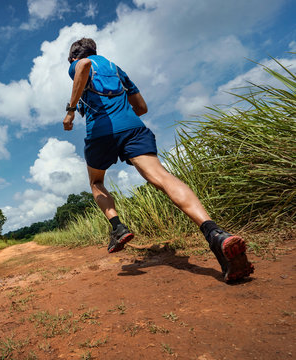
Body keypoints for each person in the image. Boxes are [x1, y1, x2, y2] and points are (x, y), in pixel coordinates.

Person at [63, 38, 254, 282]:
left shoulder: (78, 63)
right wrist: (122, 115)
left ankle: (118, 227)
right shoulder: (116, 68)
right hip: (132, 128)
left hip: (100, 133)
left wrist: (71, 111)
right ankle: (214, 232)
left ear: (73, 57)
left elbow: (83, 67)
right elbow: (141, 107)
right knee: (162, 177)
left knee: (96, 183)